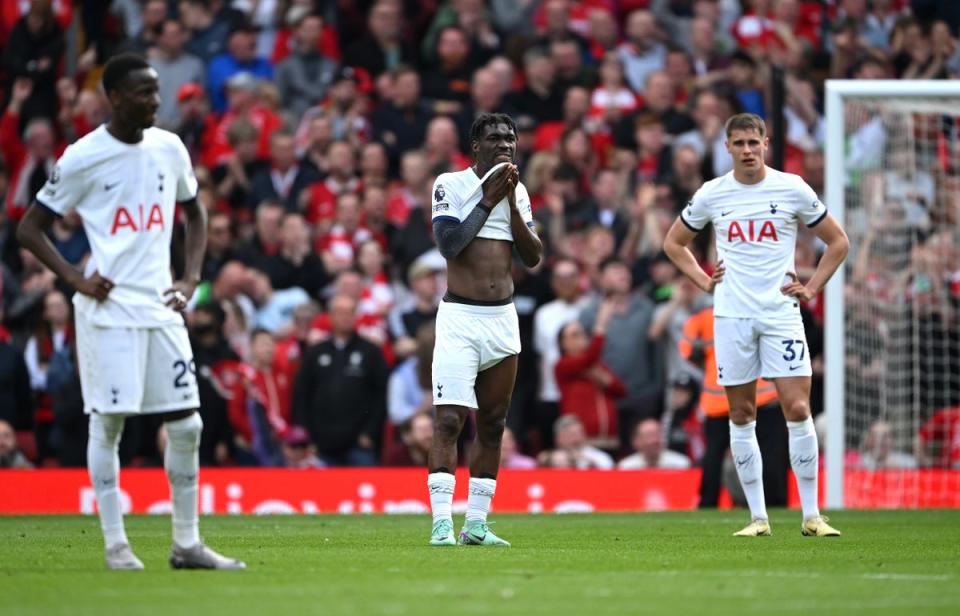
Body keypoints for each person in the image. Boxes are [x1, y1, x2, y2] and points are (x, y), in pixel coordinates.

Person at [16, 54, 245, 570]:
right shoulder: (83, 156)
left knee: (187, 425)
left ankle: (186, 544)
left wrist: (190, 277)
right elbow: (29, 227)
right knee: (110, 424)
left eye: (157, 92)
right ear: (114, 96)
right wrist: (75, 278)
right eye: (144, 93)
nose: (155, 102)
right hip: (109, 311)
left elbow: (194, 210)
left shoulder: (170, 147)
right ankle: (117, 545)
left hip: (161, 305)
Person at [663, 112, 849, 538]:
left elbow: (839, 241)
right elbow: (672, 243)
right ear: (726, 147)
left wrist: (814, 287)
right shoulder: (712, 194)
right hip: (731, 316)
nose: (747, 150)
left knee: (798, 409)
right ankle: (758, 519)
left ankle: (812, 516)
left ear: (766, 144)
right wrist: (703, 282)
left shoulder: (792, 187)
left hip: (781, 313)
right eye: (739, 143)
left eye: (754, 142)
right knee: (741, 413)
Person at [426, 112, 542, 547]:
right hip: (460, 319)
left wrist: (510, 203)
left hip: (502, 319)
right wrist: (488, 199)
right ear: (475, 146)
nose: (505, 144)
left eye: (510, 138)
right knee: (450, 421)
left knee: (493, 425)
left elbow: (531, 256)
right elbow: (449, 245)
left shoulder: (519, 191)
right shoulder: (449, 184)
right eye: (495, 138)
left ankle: (476, 524)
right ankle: (441, 524)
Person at [617, 418, 692, 470]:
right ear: (636, 441)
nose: (655, 440)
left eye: (658, 434)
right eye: (649, 435)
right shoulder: (626, 467)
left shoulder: (681, 464)